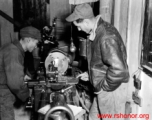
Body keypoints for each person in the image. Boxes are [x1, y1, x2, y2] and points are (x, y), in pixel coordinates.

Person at [66, 3, 130, 120]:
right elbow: (102, 63)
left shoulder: (106, 36)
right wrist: (91, 75)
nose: (79, 30)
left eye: (79, 26)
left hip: (111, 90)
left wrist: (102, 87)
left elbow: (119, 70)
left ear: (86, 22)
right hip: (105, 86)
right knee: (93, 117)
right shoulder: (97, 32)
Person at [0, 26, 41, 120]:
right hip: (3, 93)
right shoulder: (13, 52)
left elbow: (10, 72)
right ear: (29, 40)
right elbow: (15, 84)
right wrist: (27, 96)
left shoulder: (14, 49)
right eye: (36, 43)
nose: (36, 46)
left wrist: (21, 77)